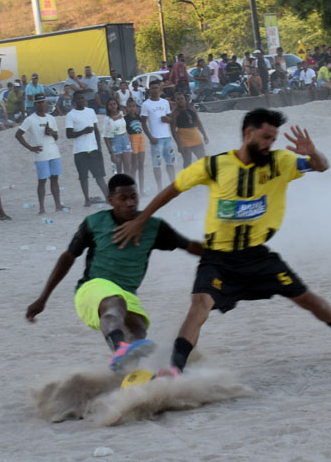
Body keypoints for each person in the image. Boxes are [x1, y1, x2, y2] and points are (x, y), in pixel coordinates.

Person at [113, 109, 331, 377]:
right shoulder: (214, 165)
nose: (270, 143)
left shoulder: (280, 162)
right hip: (218, 257)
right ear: (248, 134)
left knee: (306, 298)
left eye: (273, 139)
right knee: (200, 304)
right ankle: (175, 368)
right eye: (265, 137)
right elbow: (173, 189)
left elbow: (321, 166)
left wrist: (312, 153)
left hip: (257, 257)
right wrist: (141, 219)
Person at [25, 173, 203, 371]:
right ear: (110, 200)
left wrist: (220, 254)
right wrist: (43, 298)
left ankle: (134, 374)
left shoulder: (153, 227)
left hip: (127, 294)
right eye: (123, 198)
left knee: (138, 330)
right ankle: (119, 349)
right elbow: (67, 258)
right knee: (114, 304)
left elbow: (188, 245)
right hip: (92, 289)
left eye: (133, 197)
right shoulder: (94, 223)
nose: (129, 203)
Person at [15, 93, 64, 215]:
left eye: (44, 102)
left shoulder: (51, 118)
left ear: (47, 103)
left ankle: (58, 205)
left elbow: (56, 137)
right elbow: (18, 134)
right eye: (39, 102)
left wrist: (52, 132)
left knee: (55, 178)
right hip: (41, 153)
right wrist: (30, 147)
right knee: (42, 180)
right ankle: (42, 208)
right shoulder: (30, 119)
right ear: (35, 104)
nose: (42, 104)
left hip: (53, 151)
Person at [65, 90, 109, 207]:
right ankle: (87, 199)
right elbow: (69, 134)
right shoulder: (70, 115)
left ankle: (107, 197)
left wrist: (99, 147)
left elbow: (96, 130)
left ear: (85, 99)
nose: (81, 100)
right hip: (80, 151)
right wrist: (84, 131)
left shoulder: (91, 111)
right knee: (83, 177)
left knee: (99, 176)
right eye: (78, 98)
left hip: (93, 149)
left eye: (82, 98)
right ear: (74, 100)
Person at [141, 80, 175, 192]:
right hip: (156, 139)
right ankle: (160, 188)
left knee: (170, 163)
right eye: (152, 88)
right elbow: (143, 123)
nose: (154, 90)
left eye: (156, 88)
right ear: (149, 90)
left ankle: (172, 185)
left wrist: (167, 119)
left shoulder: (165, 102)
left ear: (159, 89)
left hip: (167, 137)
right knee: (157, 165)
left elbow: (171, 119)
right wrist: (150, 137)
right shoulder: (146, 104)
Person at [170, 92, 208, 168]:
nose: (180, 100)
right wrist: (178, 144)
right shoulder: (175, 113)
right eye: (178, 99)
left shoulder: (191, 108)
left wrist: (204, 135)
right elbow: (173, 130)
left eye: (182, 98)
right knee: (187, 161)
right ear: (175, 101)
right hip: (183, 138)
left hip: (195, 135)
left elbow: (198, 122)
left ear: (185, 99)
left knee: (203, 159)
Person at [102, 98, 132, 177]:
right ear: (107, 107)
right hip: (115, 141)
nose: (112, 106)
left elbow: (129, 110)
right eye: (110, 104)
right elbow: (106, 137)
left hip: (125, 139)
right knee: (117, 169)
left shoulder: (122, 113)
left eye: (114, 104)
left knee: (127, 166)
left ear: (117, 104)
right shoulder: (107, 119)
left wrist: (122, 107)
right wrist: (111, 152)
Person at [124, 98, 146, 195]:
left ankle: (141, 189)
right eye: (130, 106)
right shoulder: (126, 118)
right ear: (127, 107)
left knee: (141, 165)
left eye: (134, 106)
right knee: (134, 166)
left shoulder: (138, 116)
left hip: (141, 138)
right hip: (132, 139)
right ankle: (133, 188)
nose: (132, 108)